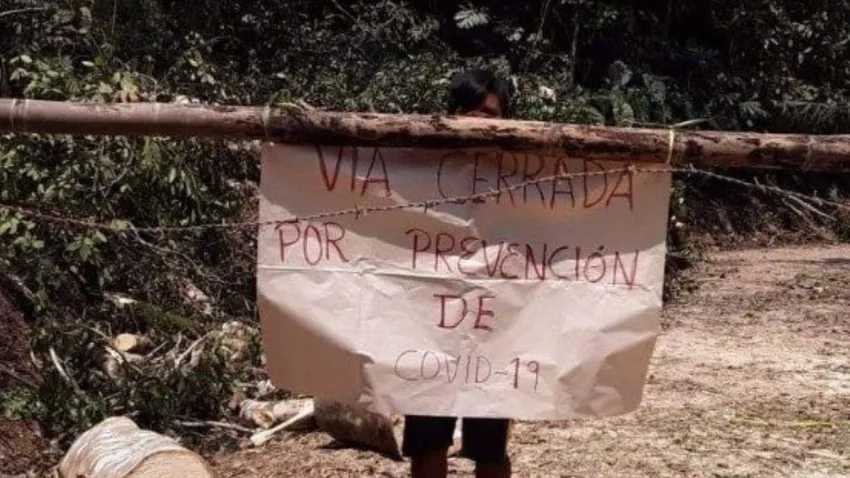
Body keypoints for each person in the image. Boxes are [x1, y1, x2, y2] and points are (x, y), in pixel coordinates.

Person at [401, 69, 514, 478]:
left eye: (489, 113)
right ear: (451, 113)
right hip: (429, 327)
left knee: (490, 448)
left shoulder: (524, 172)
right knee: (427, 443)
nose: (478, 120)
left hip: (496, 326)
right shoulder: (418, 167)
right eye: (469, 110)